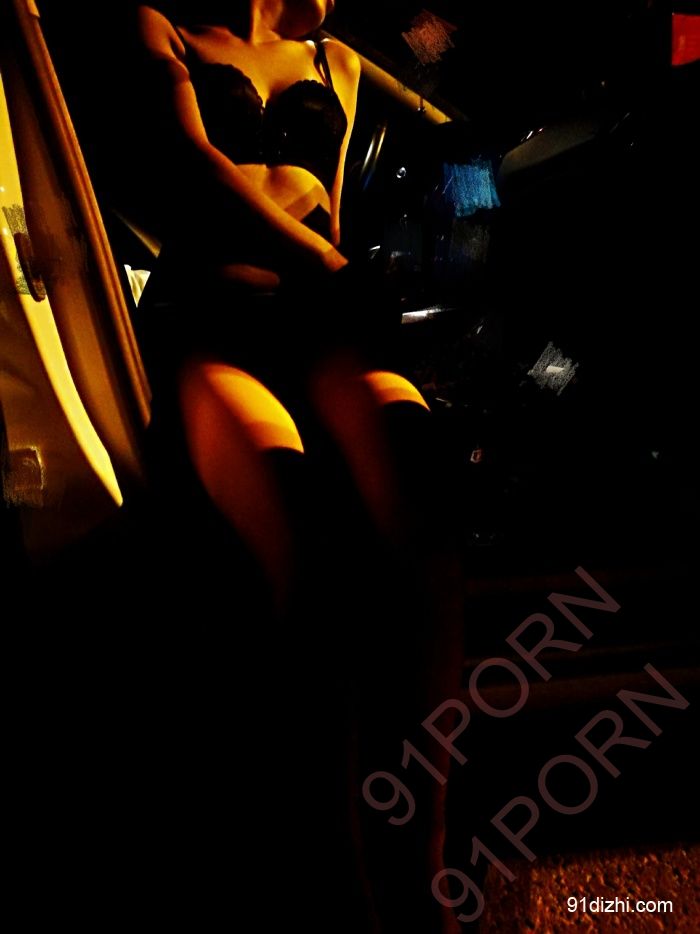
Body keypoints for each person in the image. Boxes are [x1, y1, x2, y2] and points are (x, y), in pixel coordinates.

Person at [134, 2, 465, 931]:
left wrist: (350, 275)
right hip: (214, 315)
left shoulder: (333, 58)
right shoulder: (163, 28)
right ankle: (333, 884)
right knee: (303, 545)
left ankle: (422, 866)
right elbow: (189, 165)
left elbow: (357, 191)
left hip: (318, 317)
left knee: (425, 504)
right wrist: (323, 256)